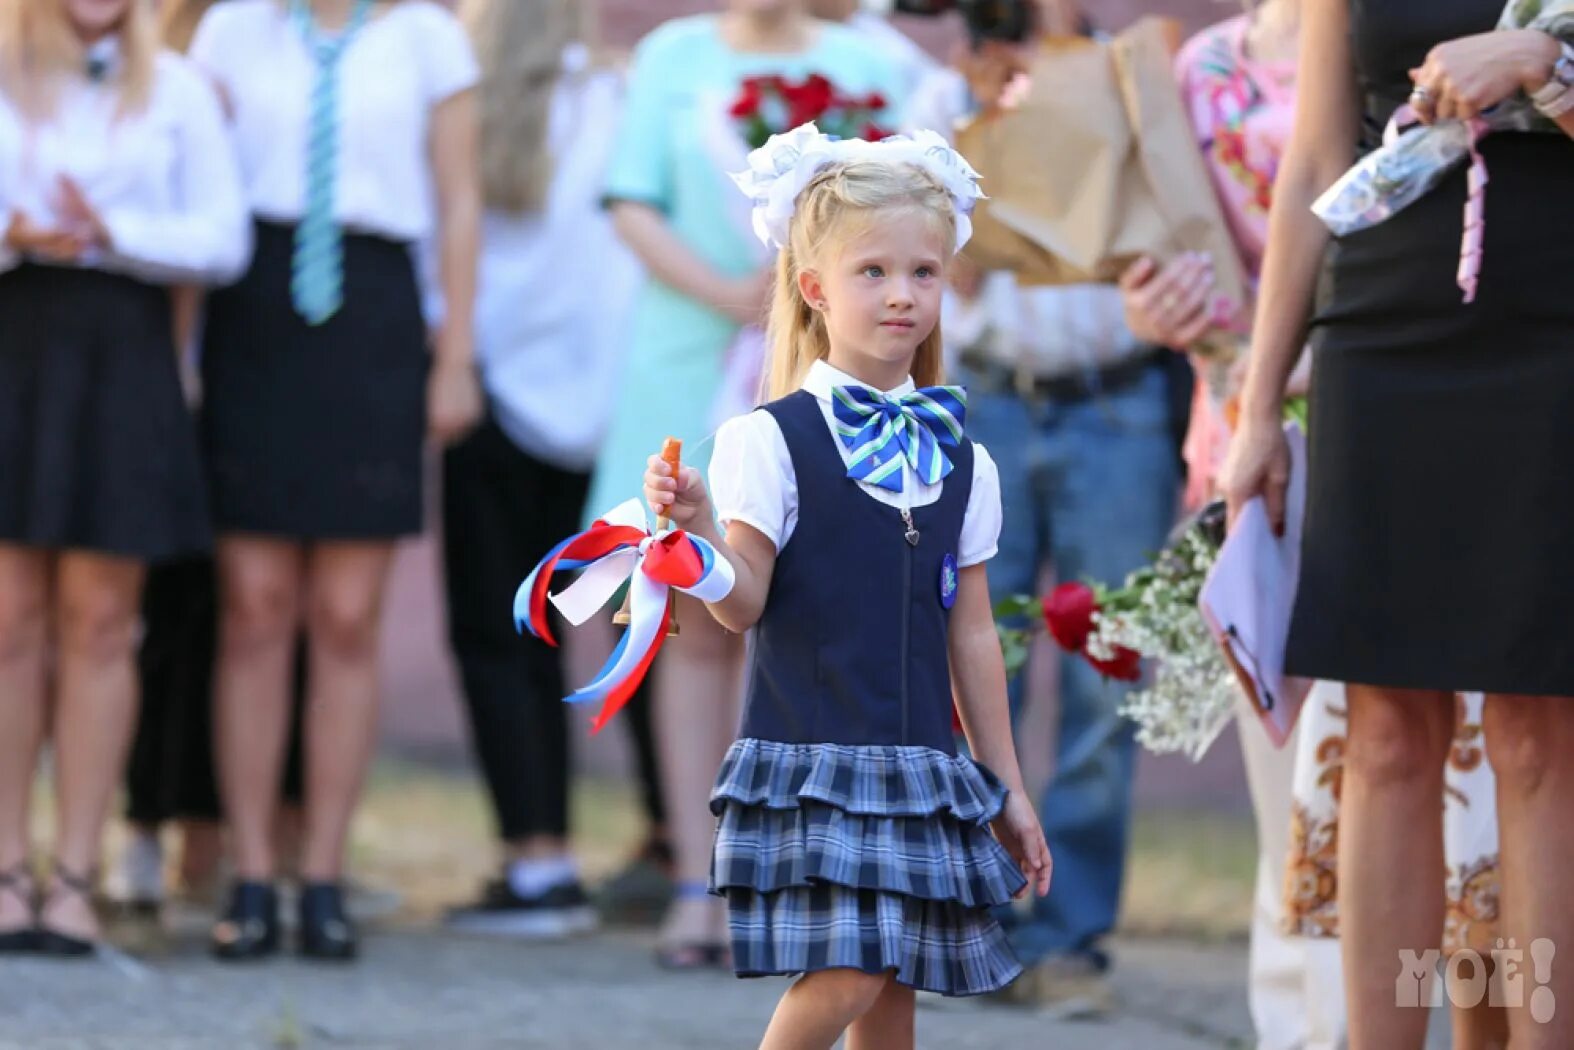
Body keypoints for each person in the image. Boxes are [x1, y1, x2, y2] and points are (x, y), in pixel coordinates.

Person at [642, 125, 1052, 1048]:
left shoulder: (965, 459)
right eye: (873, 272)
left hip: (922, 772)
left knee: (891, 994)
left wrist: (1006, 786)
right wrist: (697, 532)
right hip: (816, 766)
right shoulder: (767, 440)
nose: (903, 293)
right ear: (814, 286)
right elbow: (741, 601)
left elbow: (972, 635)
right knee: (851, 975)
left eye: (924, 271)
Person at [1222, 0, 1574, 1043]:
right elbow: (1315, 162)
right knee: (1379, 731)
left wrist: (1540, 61)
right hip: (1380, 329)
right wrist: (1258, 408)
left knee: (1536, 730)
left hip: (1556, 328)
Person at [596, 0, 900, 968]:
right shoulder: (669, 57)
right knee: (689, 626)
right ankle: (698, 881)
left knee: (804, 625)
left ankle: (791, 879)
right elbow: (630, 200)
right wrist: (725, 288)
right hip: (690, 358)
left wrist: (800, 291)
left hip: (816, 371)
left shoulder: (866, 62)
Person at [188, 0, 482, 961]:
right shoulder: (233, 27)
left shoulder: (426, 37)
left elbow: (460, 200)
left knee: (348, 614)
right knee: (255, 605)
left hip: (374, 314)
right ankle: (251, 871)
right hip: (253, 303)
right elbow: (194, 177)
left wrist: (454, 358)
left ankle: (323, 873)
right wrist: (185, 350)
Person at [907, 0, 1181, 1010]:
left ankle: (1070, 935)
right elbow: (918, 257)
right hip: (985, 402)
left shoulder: (1134, 81)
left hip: (1117, 397)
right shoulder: (944, 89)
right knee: (975, 662)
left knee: (1109, 674)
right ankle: (975, 919)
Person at [0, 0, 248, 955]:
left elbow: (222, 240)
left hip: (124, 359)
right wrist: (20, 227)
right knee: (11, 624)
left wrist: (114, 230)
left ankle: (75, 876)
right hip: (16, 346)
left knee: (102, 625)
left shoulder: (179, 89)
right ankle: (8, 867)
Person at [438, 0, 639, 937]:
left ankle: (538, 864)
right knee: (641, 623)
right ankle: (675, 845)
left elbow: (437, 250)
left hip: (492, 397)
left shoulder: (463, 102)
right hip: (619, 408)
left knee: (502, 631)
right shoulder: (627, 93)